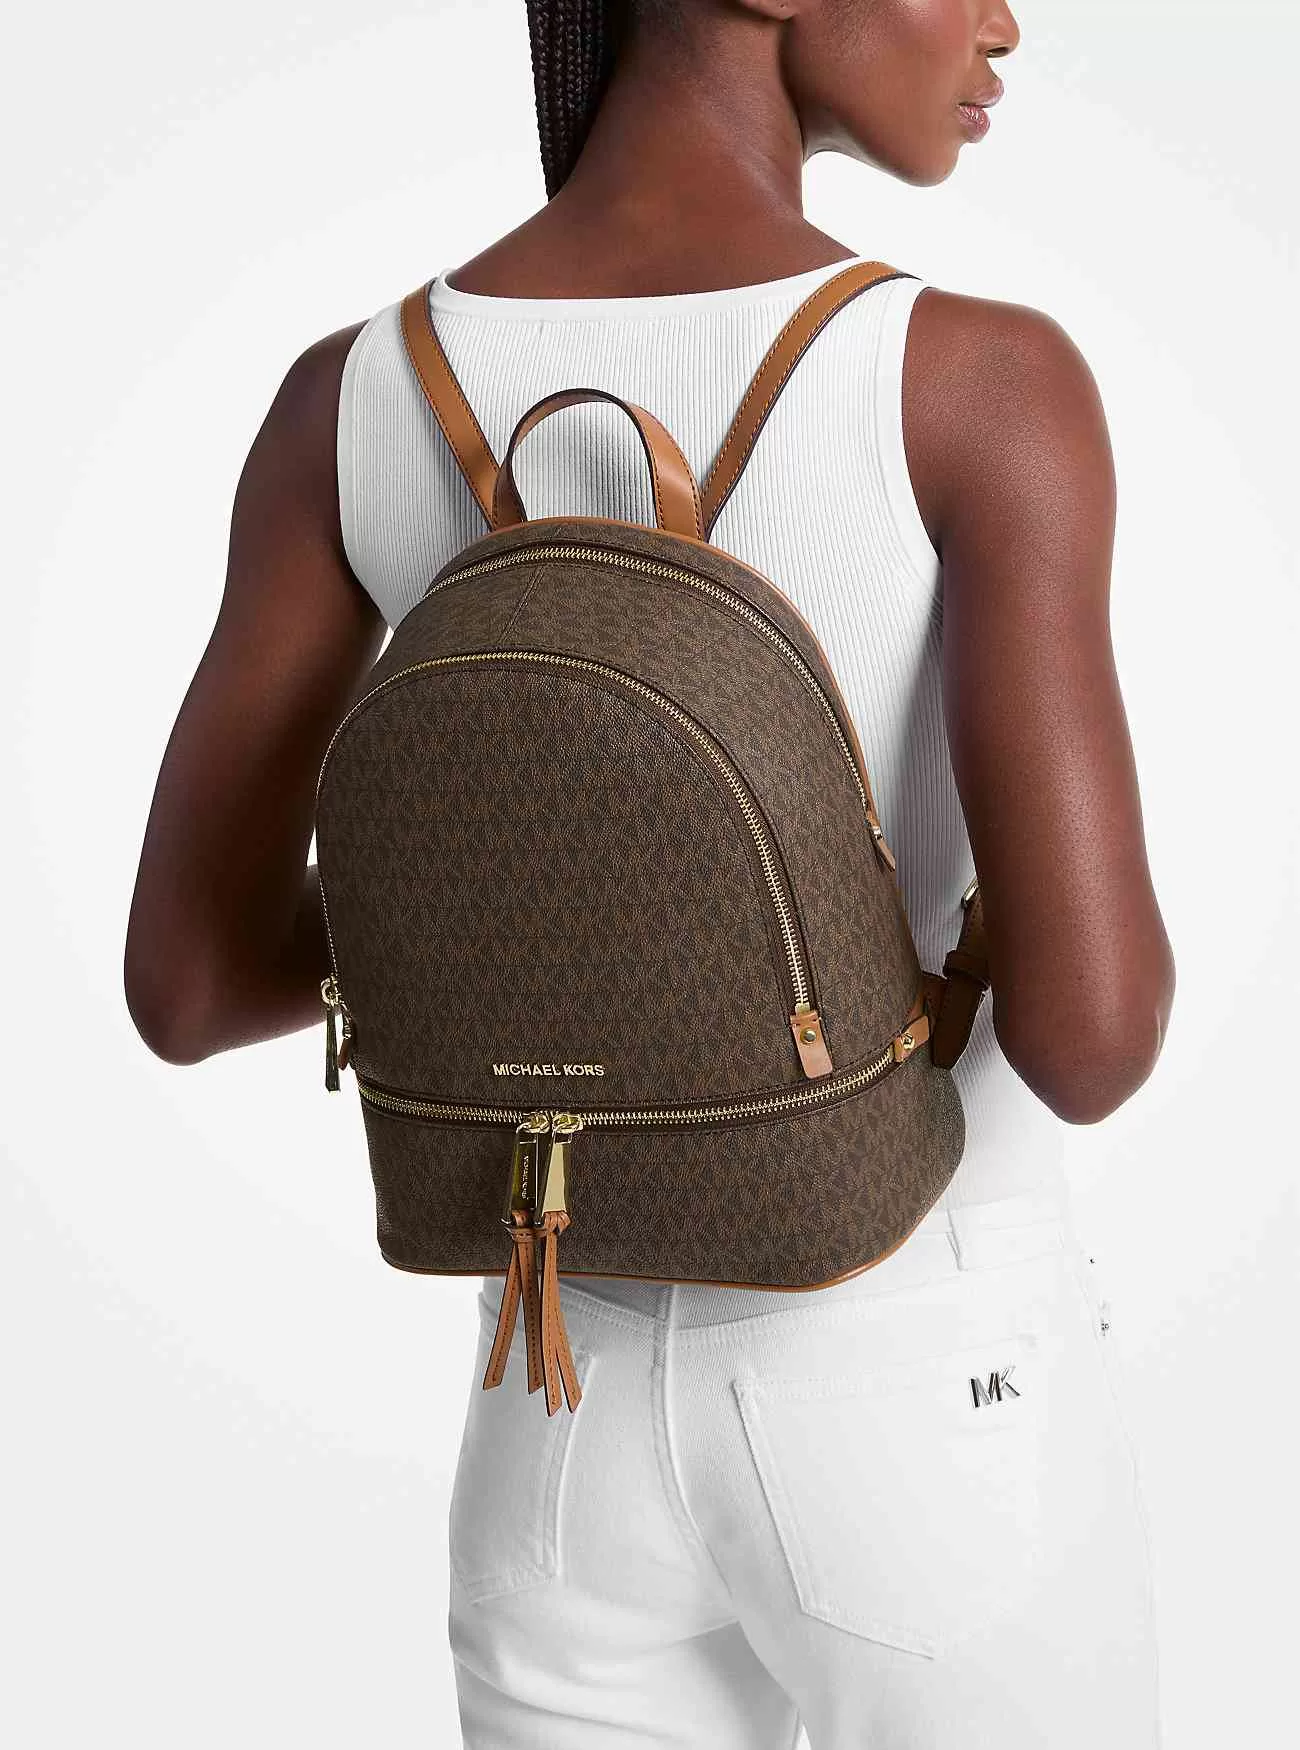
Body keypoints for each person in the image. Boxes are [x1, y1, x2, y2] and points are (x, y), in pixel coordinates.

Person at [124, 1, 1176, 1744]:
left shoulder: (356, 394)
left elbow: (186, 981)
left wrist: (540, 941)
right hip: (922, 1390)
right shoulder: (976, 384)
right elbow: (1092, 1035)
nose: (1005, 20)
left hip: (555, 1402)